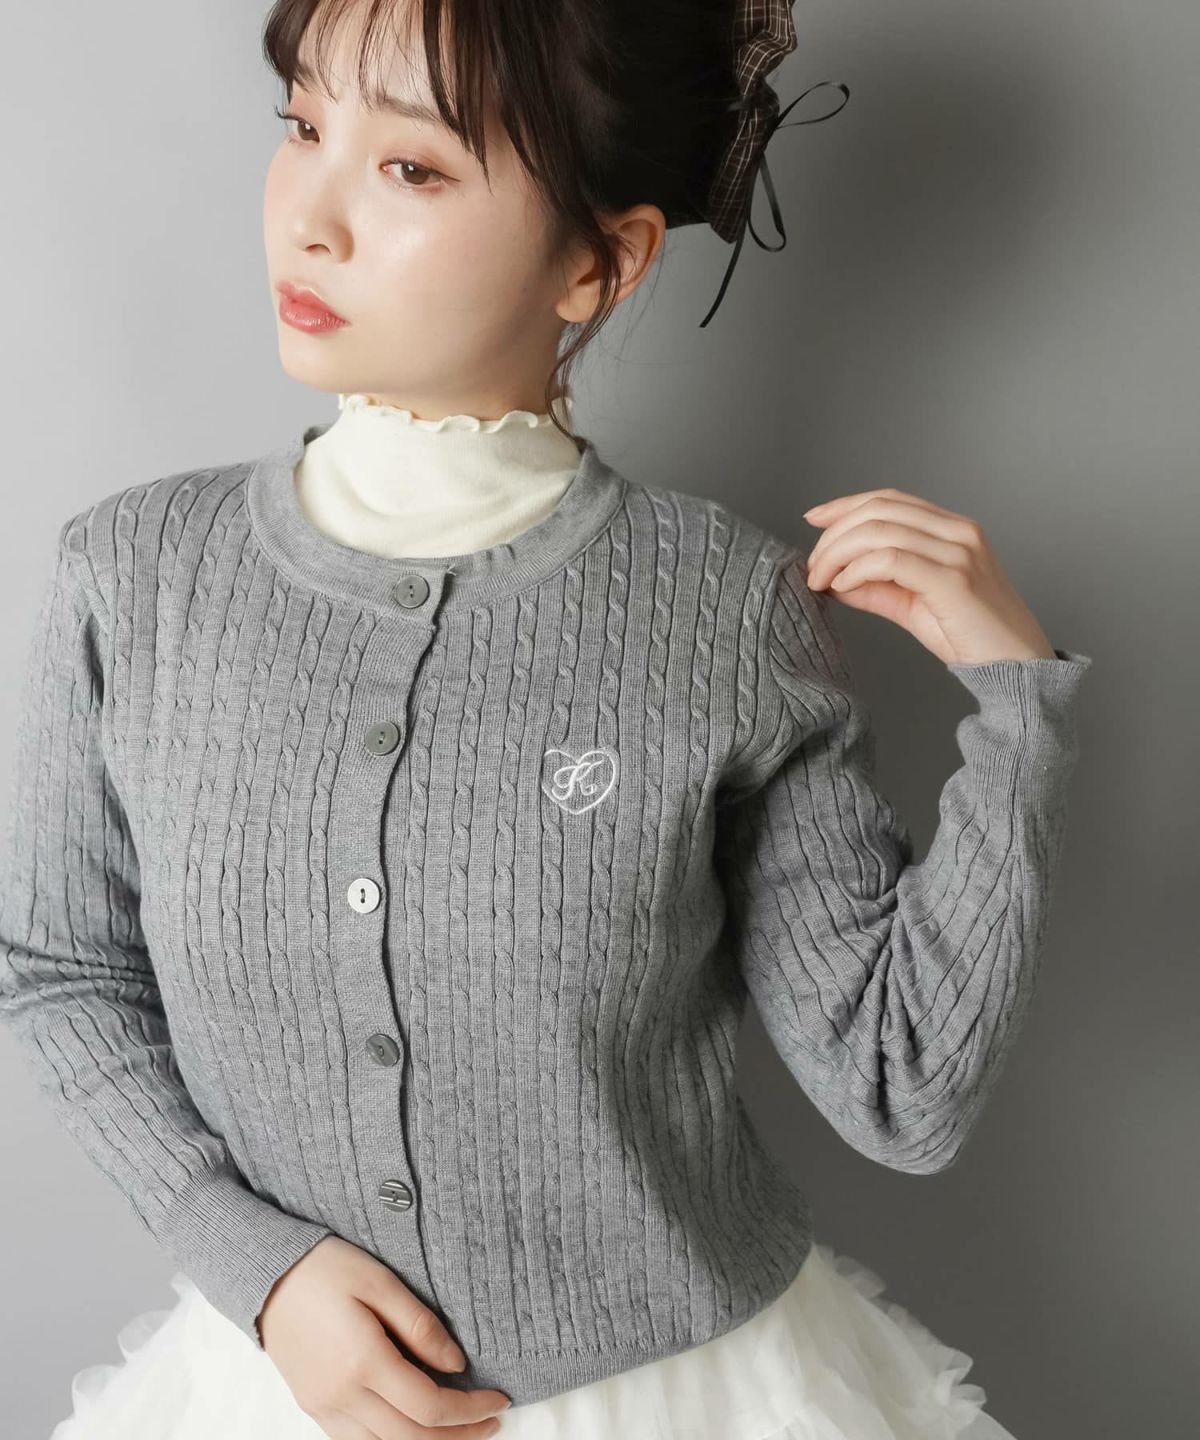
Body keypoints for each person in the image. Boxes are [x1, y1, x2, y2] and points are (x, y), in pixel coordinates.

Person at [0, 0, 1093, 1437]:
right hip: (268, 1393)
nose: (309, 219)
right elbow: (61, 968)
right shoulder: (133, 575)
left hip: (680, 1397)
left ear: (601, 260)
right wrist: (256, 1267)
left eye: (412, 168)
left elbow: (902, 1086)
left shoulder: (724, 610)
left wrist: (1019, 709)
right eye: (304, 127)